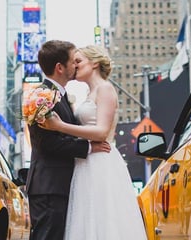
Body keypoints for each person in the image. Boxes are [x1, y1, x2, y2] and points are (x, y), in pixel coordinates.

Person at [40, 45, 148, 239]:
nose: (75, 65)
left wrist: (59, 126)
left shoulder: (105, 88)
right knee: (87, 219)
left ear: (95, 63)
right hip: (85, 161)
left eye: (78, 61)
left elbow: (101, 131)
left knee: (104, 218)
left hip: (101, 162)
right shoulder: (89, 94)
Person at [25, 40, 111, 240]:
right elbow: (47, 144)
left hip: (58, 185)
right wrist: (89, 147)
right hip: (49, 186)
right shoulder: (41, 96)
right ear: (60, 67)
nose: (77, 65)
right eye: (74, 61)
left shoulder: (59, 95)